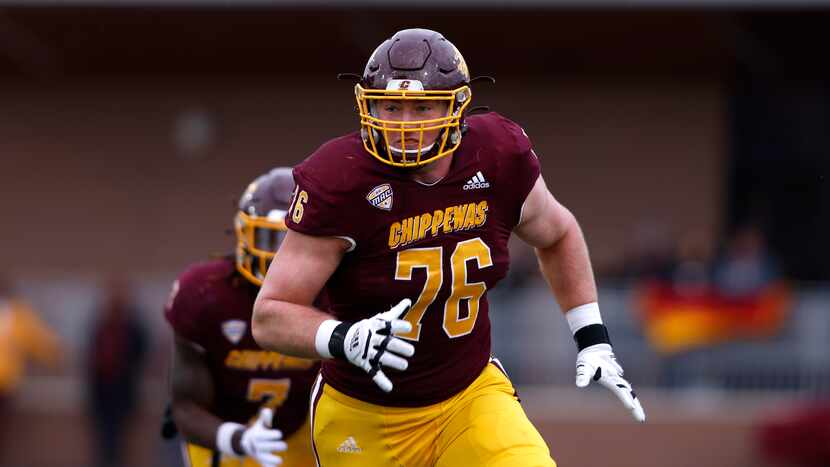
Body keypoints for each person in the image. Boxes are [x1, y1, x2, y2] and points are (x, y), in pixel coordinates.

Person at [252, 28, 645, 467]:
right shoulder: (340, 180)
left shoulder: (498, 155)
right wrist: (342, 337)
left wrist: (592, 338)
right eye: (391, 108)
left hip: (469, 398)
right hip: (363, 415)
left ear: (456, 107)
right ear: (369, 106)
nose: (404, 125)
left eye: (422, 107)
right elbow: (270, 315)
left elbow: (558, 232)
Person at [165, 167, 320, 467]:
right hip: (225, 432)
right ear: (243, 233)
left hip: (305, 431)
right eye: (268, 239)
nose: (278, 257)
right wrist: (235, 439)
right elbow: (185, 406)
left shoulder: (335, 294)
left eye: (290, 242)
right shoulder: (203, 295)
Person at [86, 276, 148, 467]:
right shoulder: (100, 324)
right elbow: (91, 354)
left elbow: (141, 353)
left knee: (120, 434)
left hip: (123, 387)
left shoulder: (133, 326)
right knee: (102, 434)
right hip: (101, 388)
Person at [0, 276, 62, 455]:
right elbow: (39, 341)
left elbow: (38, 341)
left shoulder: (19, 315)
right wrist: (54, 354)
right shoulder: (18, 315)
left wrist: (54, 354)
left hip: (6, 382)